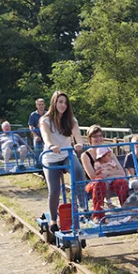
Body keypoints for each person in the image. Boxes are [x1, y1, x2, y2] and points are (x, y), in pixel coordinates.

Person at [39, 91, 86, 233]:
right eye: (60, 102)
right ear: (54, 102)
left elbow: (77, 134)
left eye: (65, 103)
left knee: (78, 172)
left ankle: (82, 209)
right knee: (54, 190)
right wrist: (51, 146)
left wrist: (79, 144)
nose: (63, 105)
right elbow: (45, 136)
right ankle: (53, 220)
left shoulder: (70, 120)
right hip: (51, 156)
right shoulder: (45, 120)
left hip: (66, 154)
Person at [81, 125, 128, 218]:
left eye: (100, 136)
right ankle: (98, 215)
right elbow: (93, 176)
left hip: (110, 180)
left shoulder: (109, 151)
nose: (98, 139)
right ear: (89, 139)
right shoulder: (85, 155)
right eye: (95, 136)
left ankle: (127, 210)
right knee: (99, 182)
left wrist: (108, 173)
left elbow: (122, 172)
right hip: (94, 184)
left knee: (121, 182)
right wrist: (106, 174)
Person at [28, 98, 46, 163]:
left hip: (46, 135)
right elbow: (30, 127)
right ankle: (38, 164)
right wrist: (35, 136)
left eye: (42, 104)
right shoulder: (33, 115)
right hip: (37, 134)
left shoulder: (47, 114)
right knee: (37, 149)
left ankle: (47, 164)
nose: (41, 106)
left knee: (47, 149)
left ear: (44, 105)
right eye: (39, 105)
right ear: (36, 106)